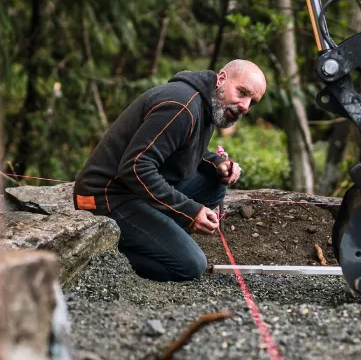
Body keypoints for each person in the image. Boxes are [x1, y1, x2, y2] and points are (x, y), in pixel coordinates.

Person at [73, 60, 267, 281]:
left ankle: (157, 234)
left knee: (213, 185)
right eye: (242, 92)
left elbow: (184, 147)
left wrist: (217, 163)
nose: (245, 106)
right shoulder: (182, 106)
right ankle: (104, 251)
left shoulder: (209, 103)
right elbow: (135, 167)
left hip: (135, 190)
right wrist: (189, 212)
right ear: (222, 79)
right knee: (191, 265)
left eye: (252, 103)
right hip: (104, 197)